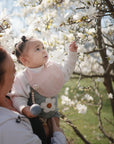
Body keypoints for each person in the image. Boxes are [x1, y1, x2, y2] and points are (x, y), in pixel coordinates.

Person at [10, 36, 78, 140]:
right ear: (25, 60)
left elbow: (66, 71)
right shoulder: (23, 77)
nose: (43, 51)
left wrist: (72, 54)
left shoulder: (52, 68)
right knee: (44, 136)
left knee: (56, 131)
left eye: (43, 47)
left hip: (53, 114)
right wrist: (23, 108)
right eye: (37, 49)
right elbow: (18, 97)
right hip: (36, 119)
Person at [0, 46, 67, 144]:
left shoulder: (12, 96)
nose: (16, 73)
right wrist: (59, 136)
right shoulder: (8, 127)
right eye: (12, 70)